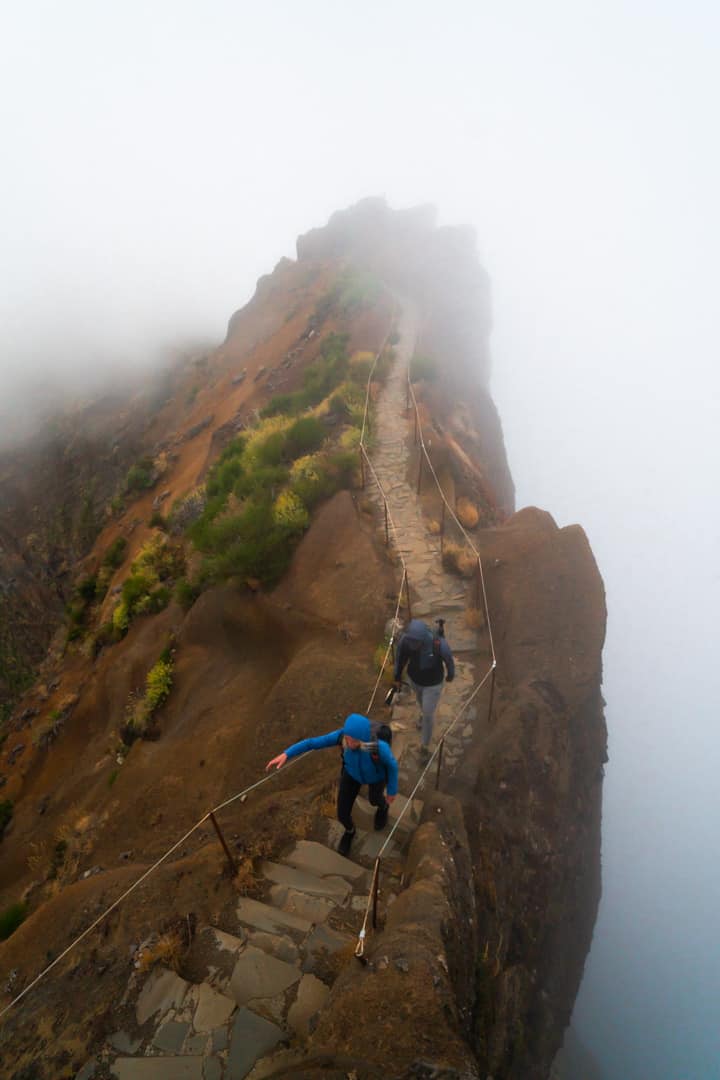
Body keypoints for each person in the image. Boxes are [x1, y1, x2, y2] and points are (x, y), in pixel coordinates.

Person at [265, 712, 398, 857]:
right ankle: (350, 831)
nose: (350, 743)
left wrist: (392, 790)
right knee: (342, 813)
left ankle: (383, 807)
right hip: (351, 775)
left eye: (355, 740)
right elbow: (312, 743)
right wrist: (286, 754)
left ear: (363, 738)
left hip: (376, 777)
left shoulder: (377, 747)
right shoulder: (341, 737)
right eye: (348, 739)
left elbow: (392, 766)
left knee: (374, 799)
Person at [393, 618, 455, 761]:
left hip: (433, 684)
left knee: (428, 714)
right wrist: (397, 675)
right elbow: (400, 658)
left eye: (416, 642)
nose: (413, 645)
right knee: (421, 703)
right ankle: (423, 715)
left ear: (422, 638)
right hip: (415, 681)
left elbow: (449, 659)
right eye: (411, 641)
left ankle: (424, 746)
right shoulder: (406, 641)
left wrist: (450, 675)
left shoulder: (438, 643)